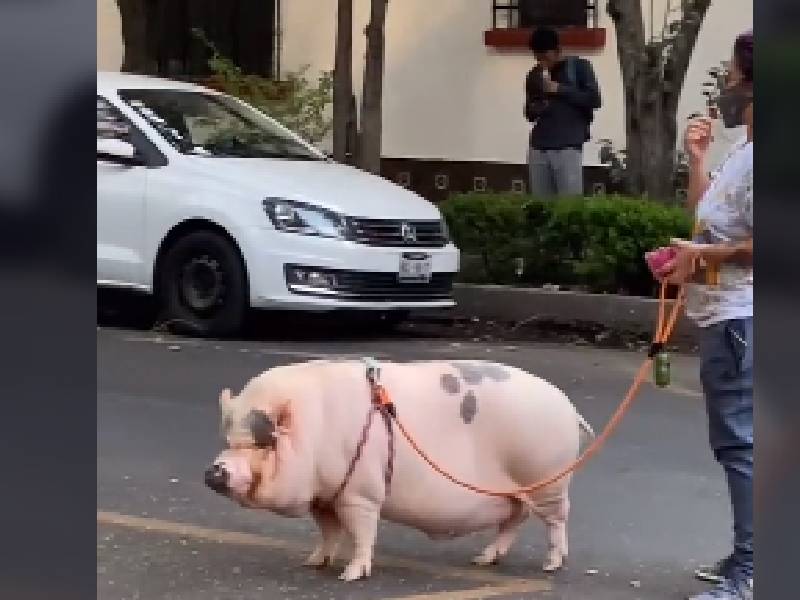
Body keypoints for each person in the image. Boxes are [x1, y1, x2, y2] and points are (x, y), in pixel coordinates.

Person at [654, 30, 753, 600]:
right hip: (724, 315)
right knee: (741, 442)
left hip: (741, 318)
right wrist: (697, 162)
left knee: (741, 445)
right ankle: (748, 555)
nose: (727, 88)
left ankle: (751, 569)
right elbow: (708, 218)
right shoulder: (743, 151)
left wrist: (703, 256)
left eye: (735, 78)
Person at [524, 27, 601, 198]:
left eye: (545, 58)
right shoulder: (534, 75)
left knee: (569, 205)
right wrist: (540, 105)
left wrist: (559, 89)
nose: (542, 63)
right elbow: (529, 113)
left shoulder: (579, 68)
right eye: (538, 58)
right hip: (539, 147)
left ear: (558, 50)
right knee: (541, 205)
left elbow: (594, 99)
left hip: (568, 146)